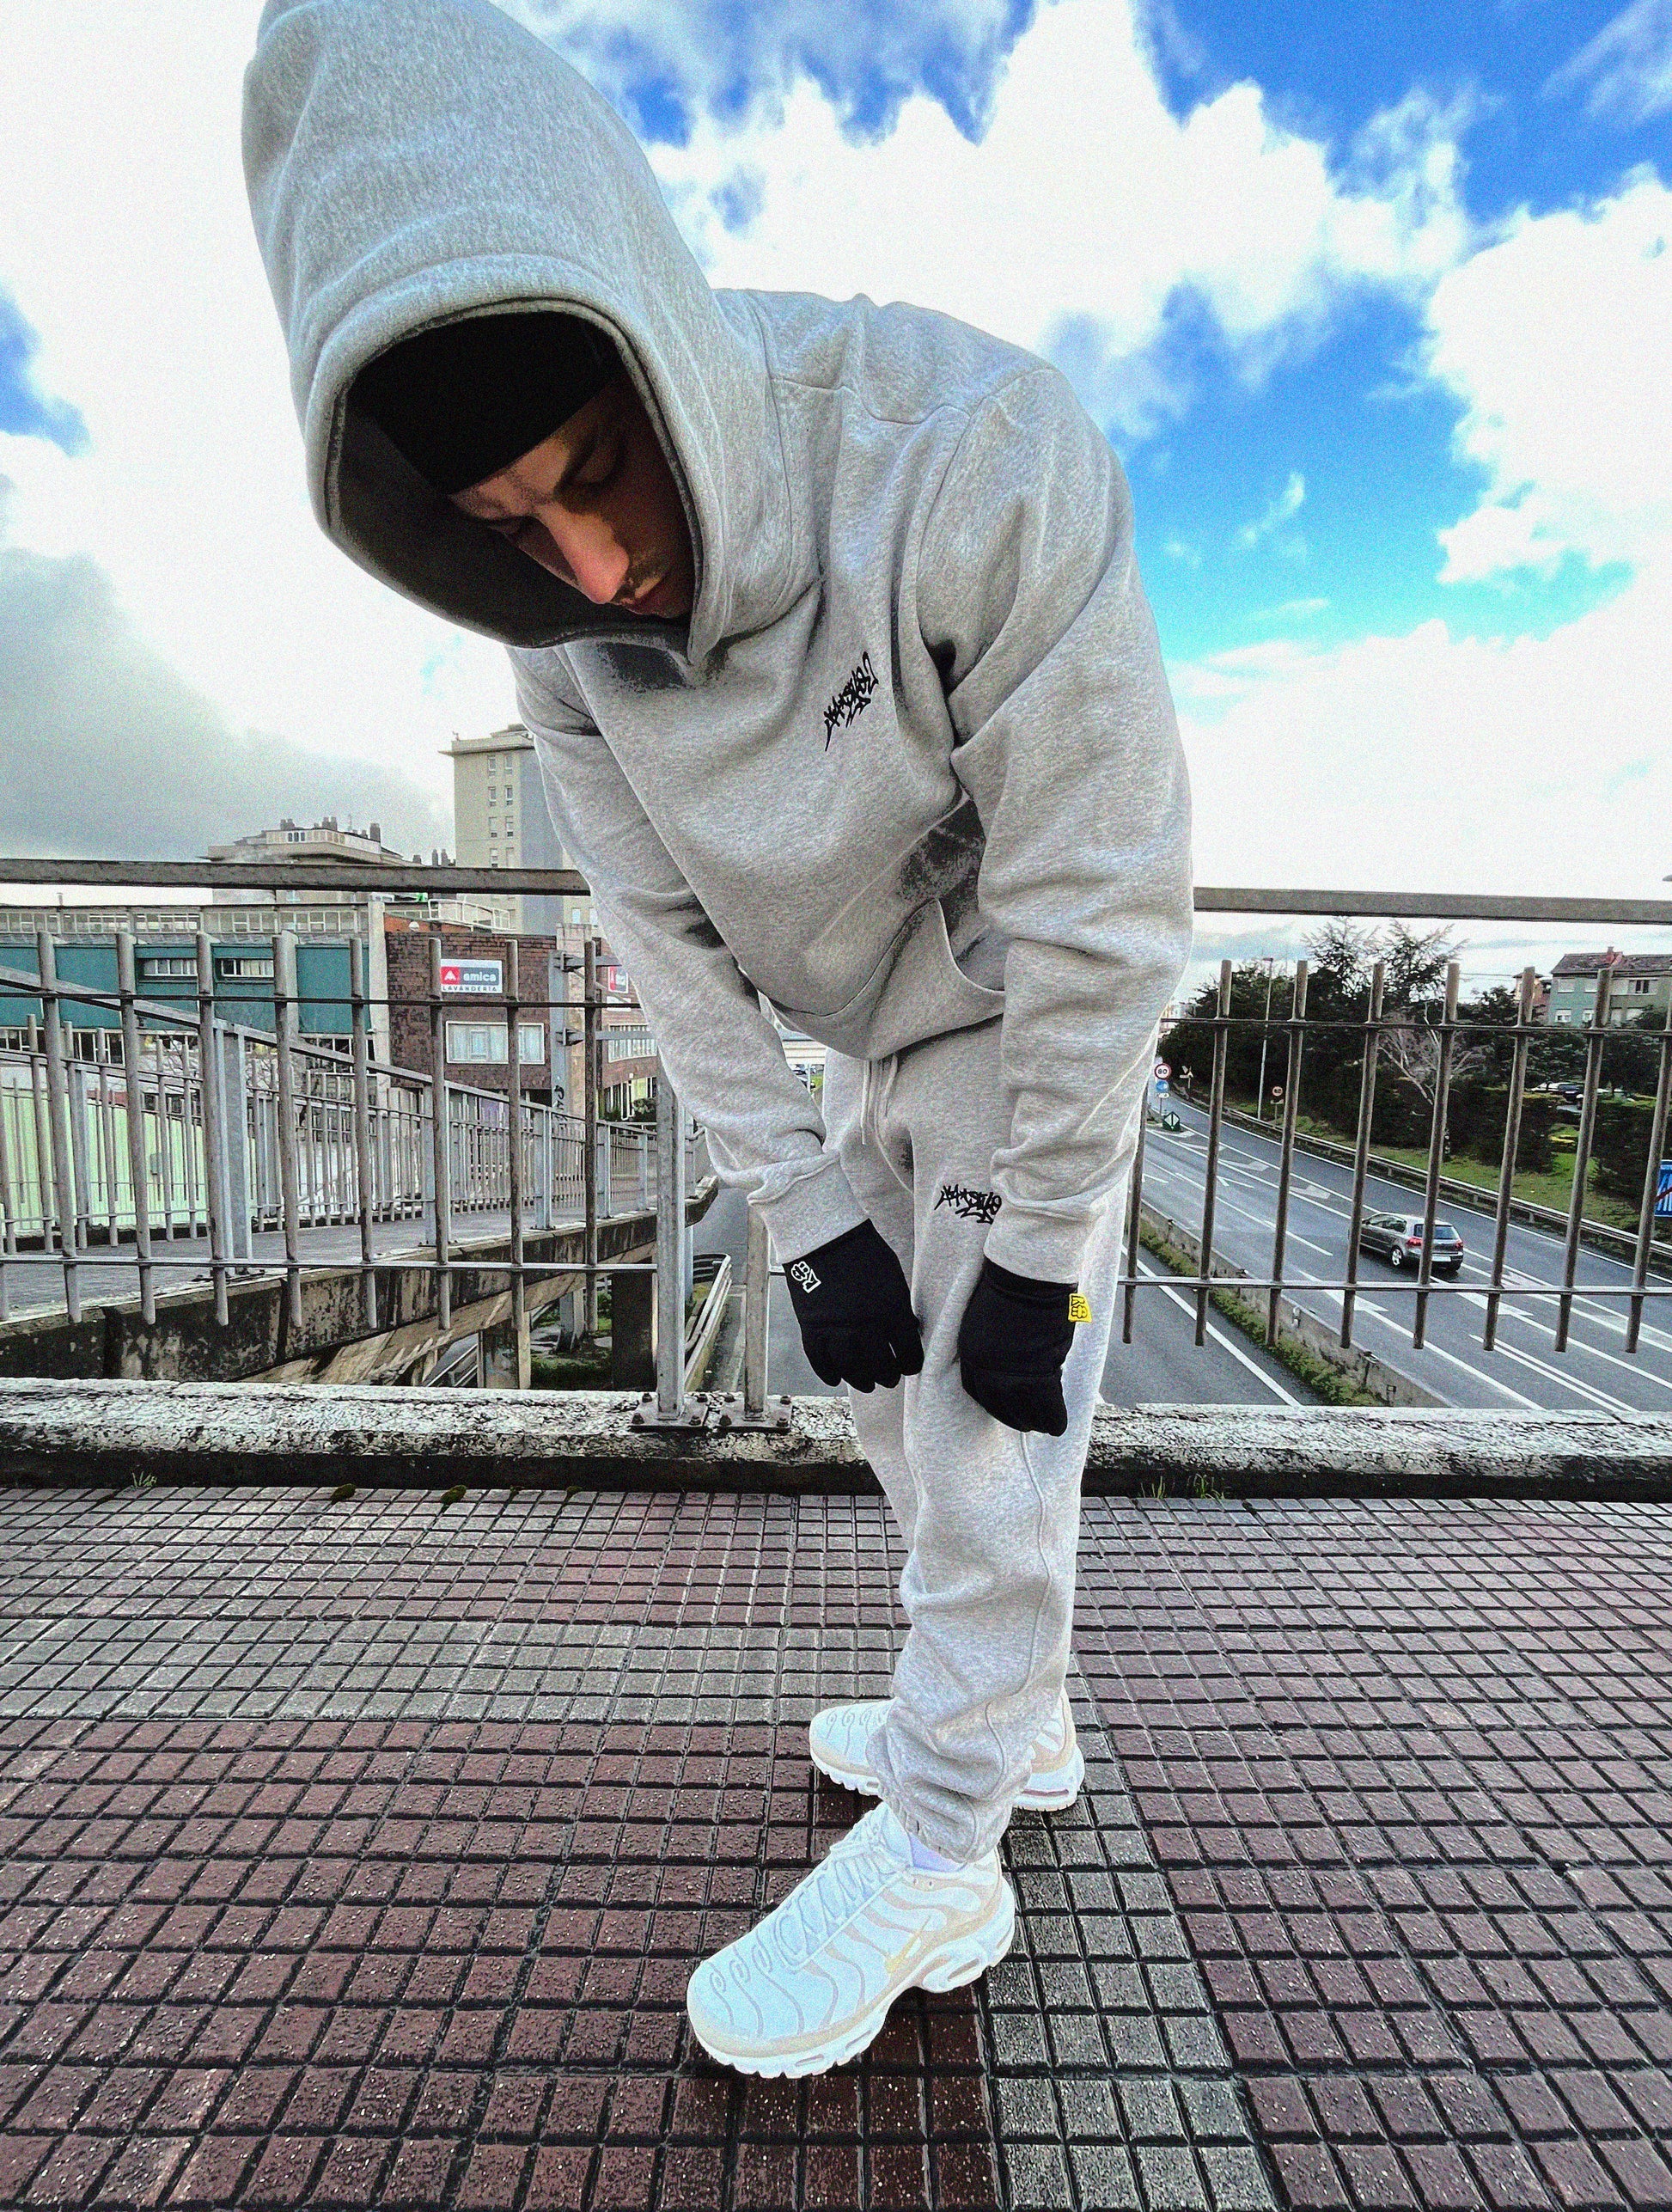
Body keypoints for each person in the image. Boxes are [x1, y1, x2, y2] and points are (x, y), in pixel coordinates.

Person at [243, 0, 1193, 2080]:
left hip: (1022, 1007)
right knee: (879, 1385)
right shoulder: (568, 633)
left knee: (985, 1422)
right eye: (513, 530)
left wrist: (1043, 1233)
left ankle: (948, 1838)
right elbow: (661, 936)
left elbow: (1105, 915)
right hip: (859, 1036)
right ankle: (1003, 1717)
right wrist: (797, 1211)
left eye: (598, 473)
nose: (596, 566)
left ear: (658, 341)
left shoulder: (967, 453)